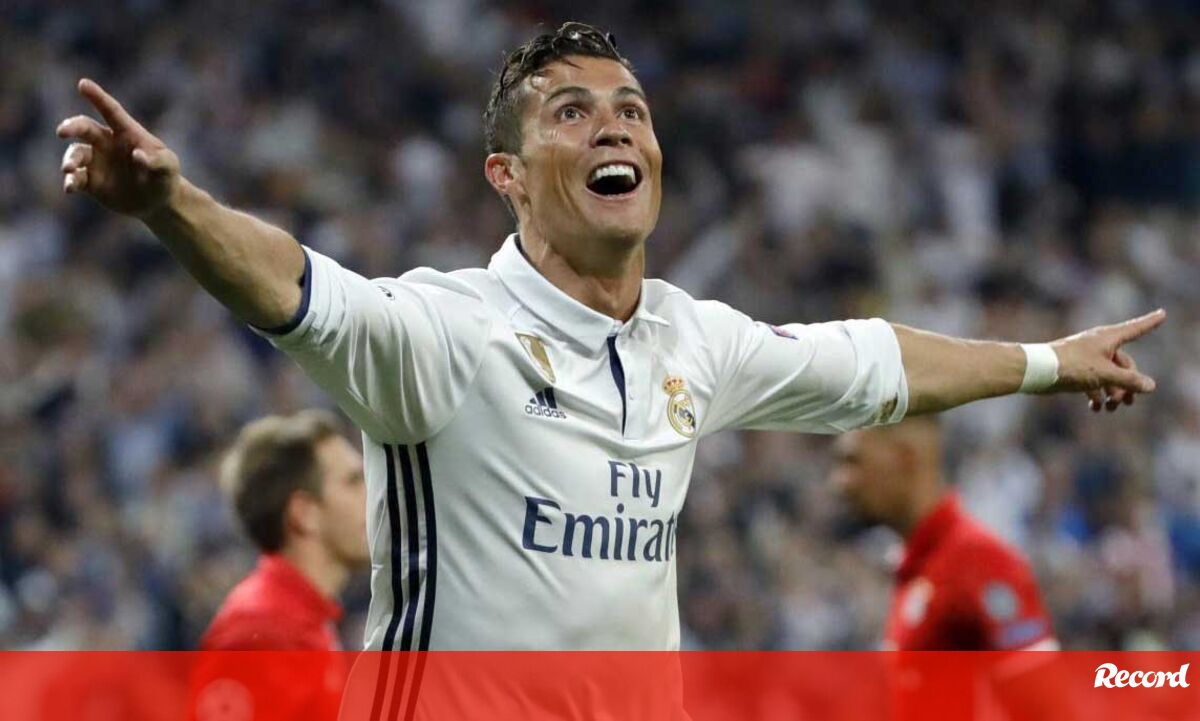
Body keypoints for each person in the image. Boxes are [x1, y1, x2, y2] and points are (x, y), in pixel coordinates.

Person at [55, 20, 1162, 660]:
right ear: (507, 175)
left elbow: (874, 362)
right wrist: (171, 207)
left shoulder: (693, 339)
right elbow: (297, 287)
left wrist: (1049, 362)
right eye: (571, 113)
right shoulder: (449, 331)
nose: (614, 125)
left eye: (630, 107)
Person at [830, 418, 1069, 720]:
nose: (840, 483)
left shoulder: (977, 562)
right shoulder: (917, 567)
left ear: (906, 458)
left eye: (854, 462)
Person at [189, 411, 367, 721]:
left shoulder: (303, 623)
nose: (374, 495)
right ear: (304, 514)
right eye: (354, 482)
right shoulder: (260, 635)